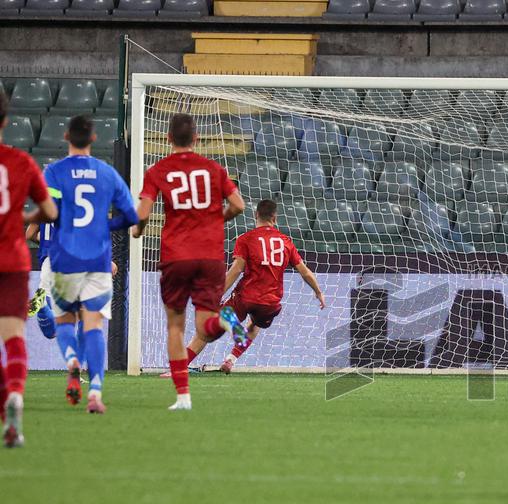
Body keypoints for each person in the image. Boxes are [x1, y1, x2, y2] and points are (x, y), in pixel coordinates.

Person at [134, 112, 247, 411]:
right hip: (209, 255)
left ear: (169, 138)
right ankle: (226, 319)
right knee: (206, 324)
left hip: (176, 256)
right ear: (196, 138)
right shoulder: (213, 168)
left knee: (175, 326)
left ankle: (183, 397)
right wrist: (216, 221)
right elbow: (238, 205)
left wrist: (138, 230)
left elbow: (143, 213)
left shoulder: (158, 170)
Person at [30, 115, 139, 413]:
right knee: (93, 325)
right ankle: (96, 392)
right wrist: (106, 226)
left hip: (64, 258)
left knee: (65, 321)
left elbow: (48, 211)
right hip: (98, 260)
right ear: (93, 139)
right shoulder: (107, 173)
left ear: (66, 137)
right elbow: (131, 216)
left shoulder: (54, 172)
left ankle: (71, 363)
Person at [180, 199, 326, 374]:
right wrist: (318, 292)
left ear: (256, 215)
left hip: (246, 298)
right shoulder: (286, 242)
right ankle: (231, 359)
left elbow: (235, 271)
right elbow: (305, 272)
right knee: (256, 324)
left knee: (205, 330)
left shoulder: (246, 239)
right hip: (271, 303)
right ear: (275, 217)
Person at [0, 90, 59, 446]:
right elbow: (50, 212)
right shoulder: (22, 162)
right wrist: (23, 216)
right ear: (6, 121)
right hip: (14, 260)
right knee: (13, 338)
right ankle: (16, 395)